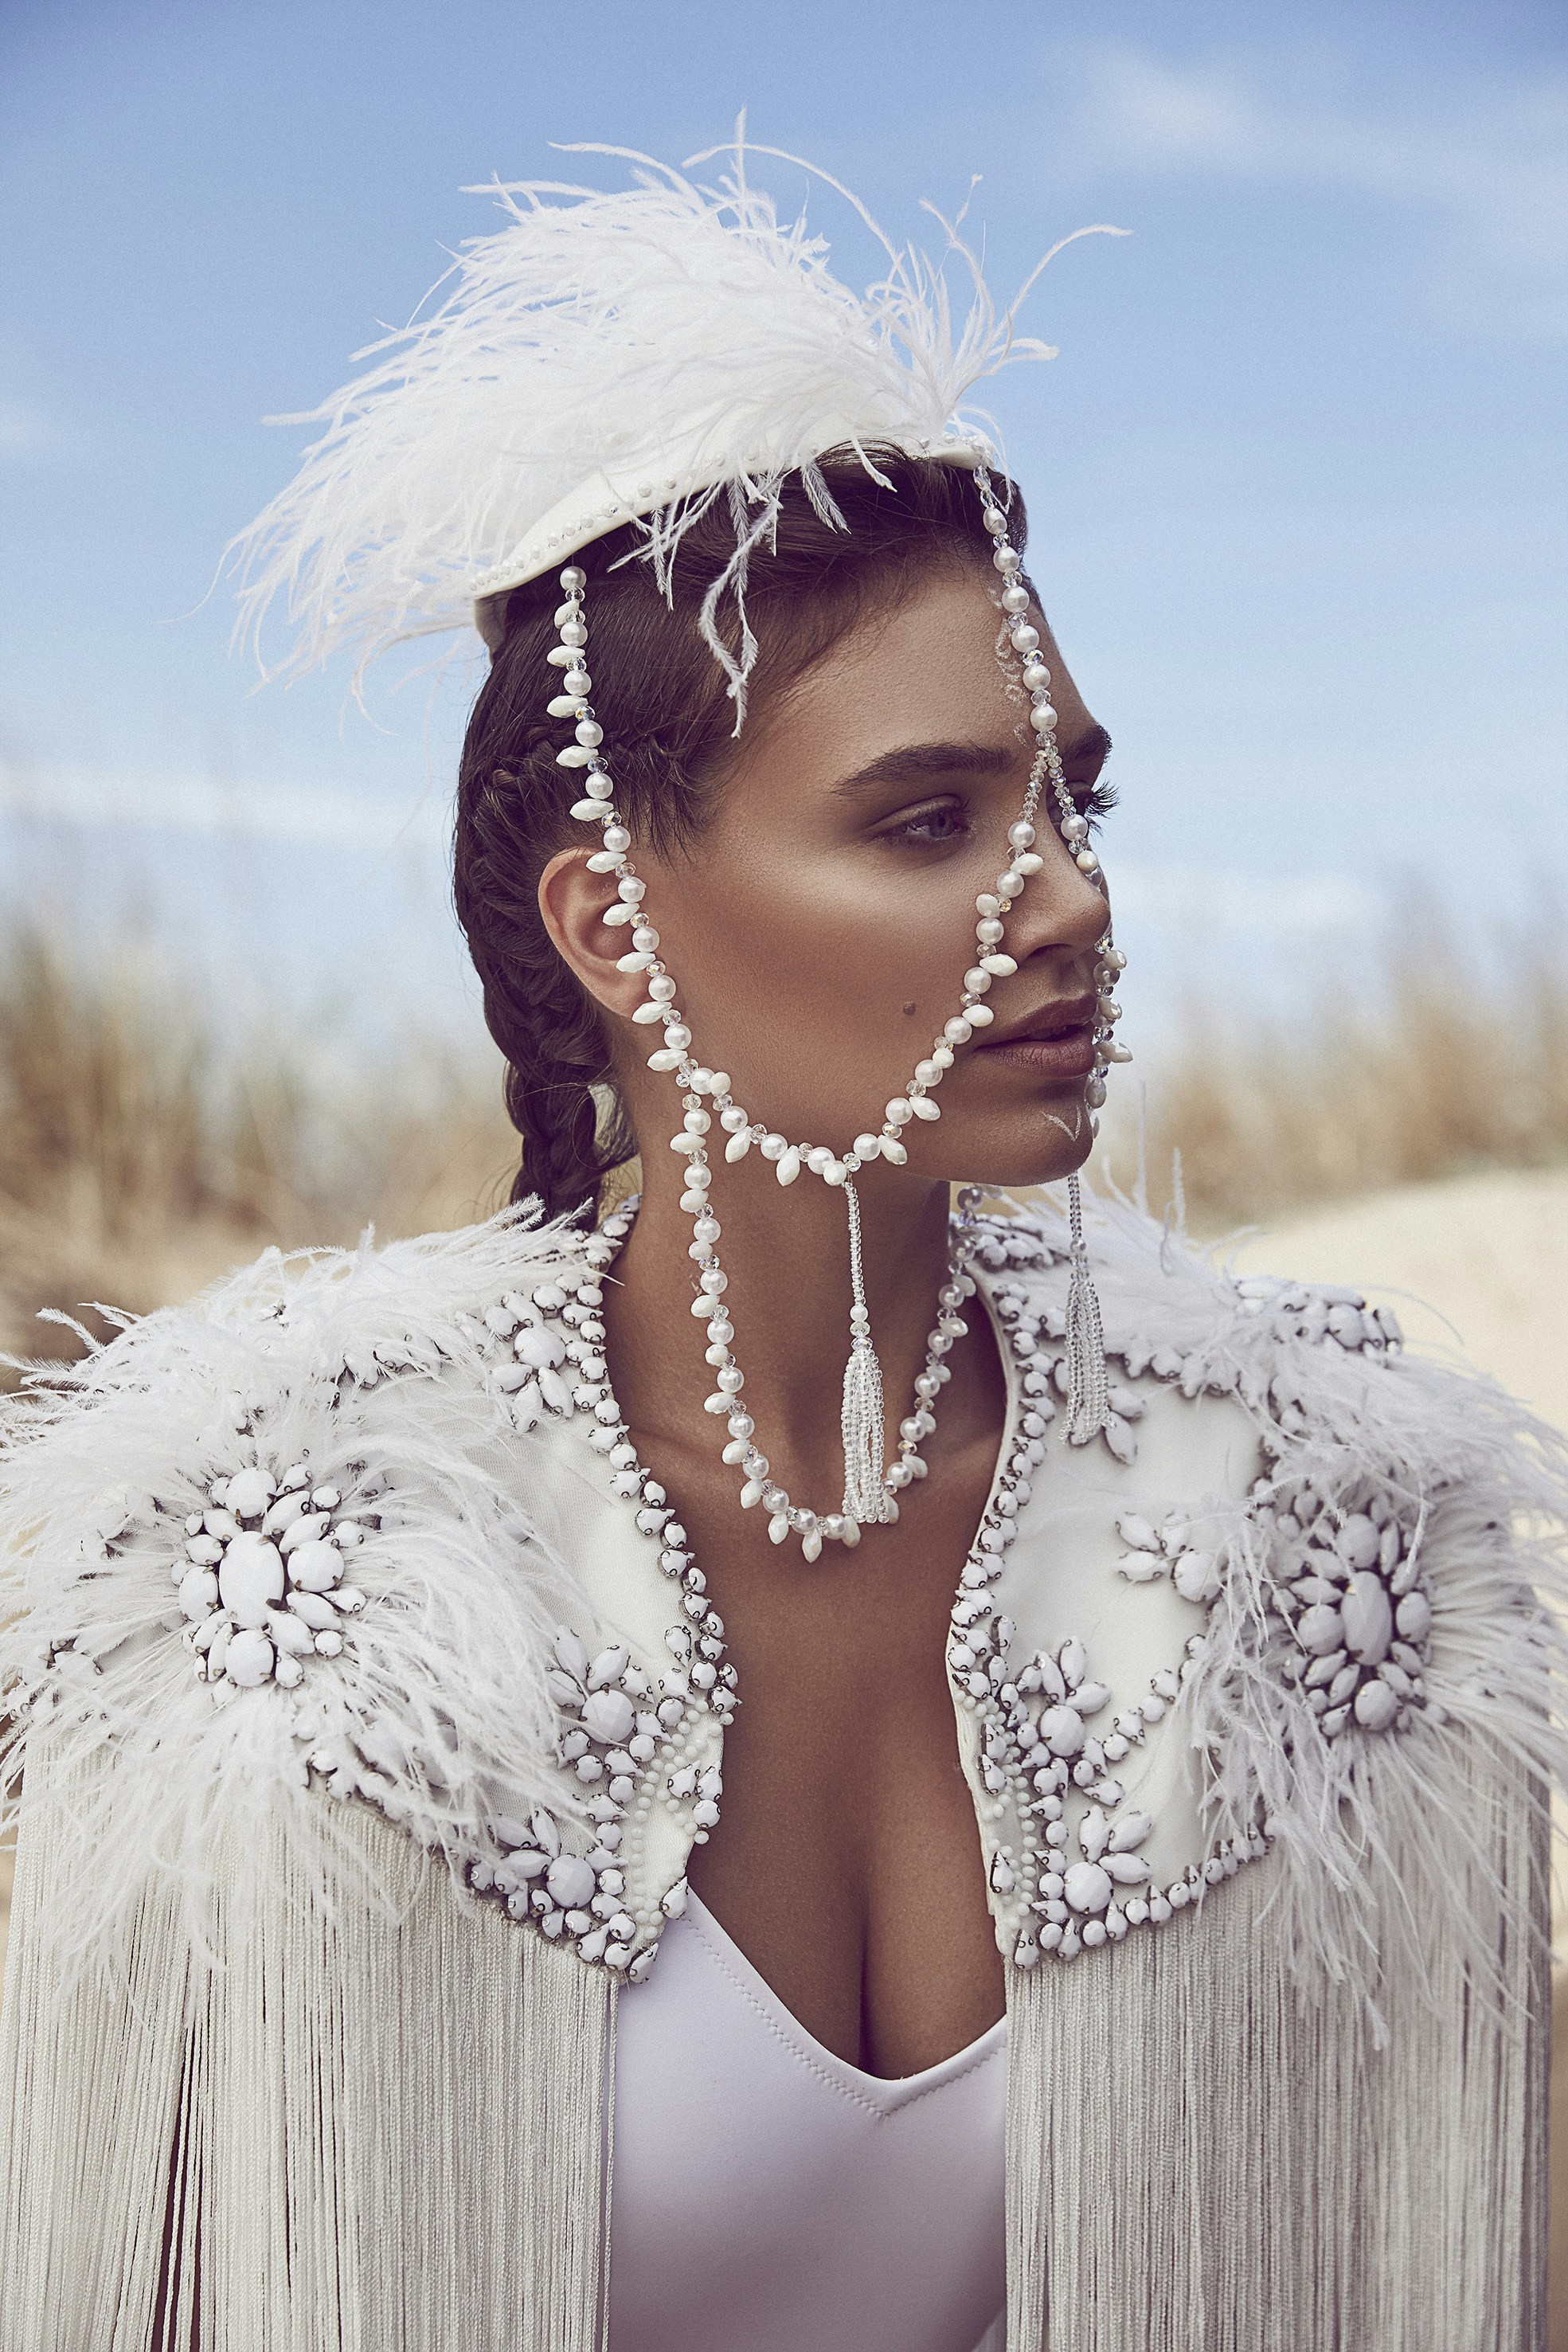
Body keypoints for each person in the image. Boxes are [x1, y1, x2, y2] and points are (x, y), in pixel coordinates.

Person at [1, 147, 1562, 2352]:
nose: (1068, 903)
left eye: (1073, 806)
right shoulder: (273, 1600)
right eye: (928, 820)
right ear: (607, 920)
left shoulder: (1348, 1555)